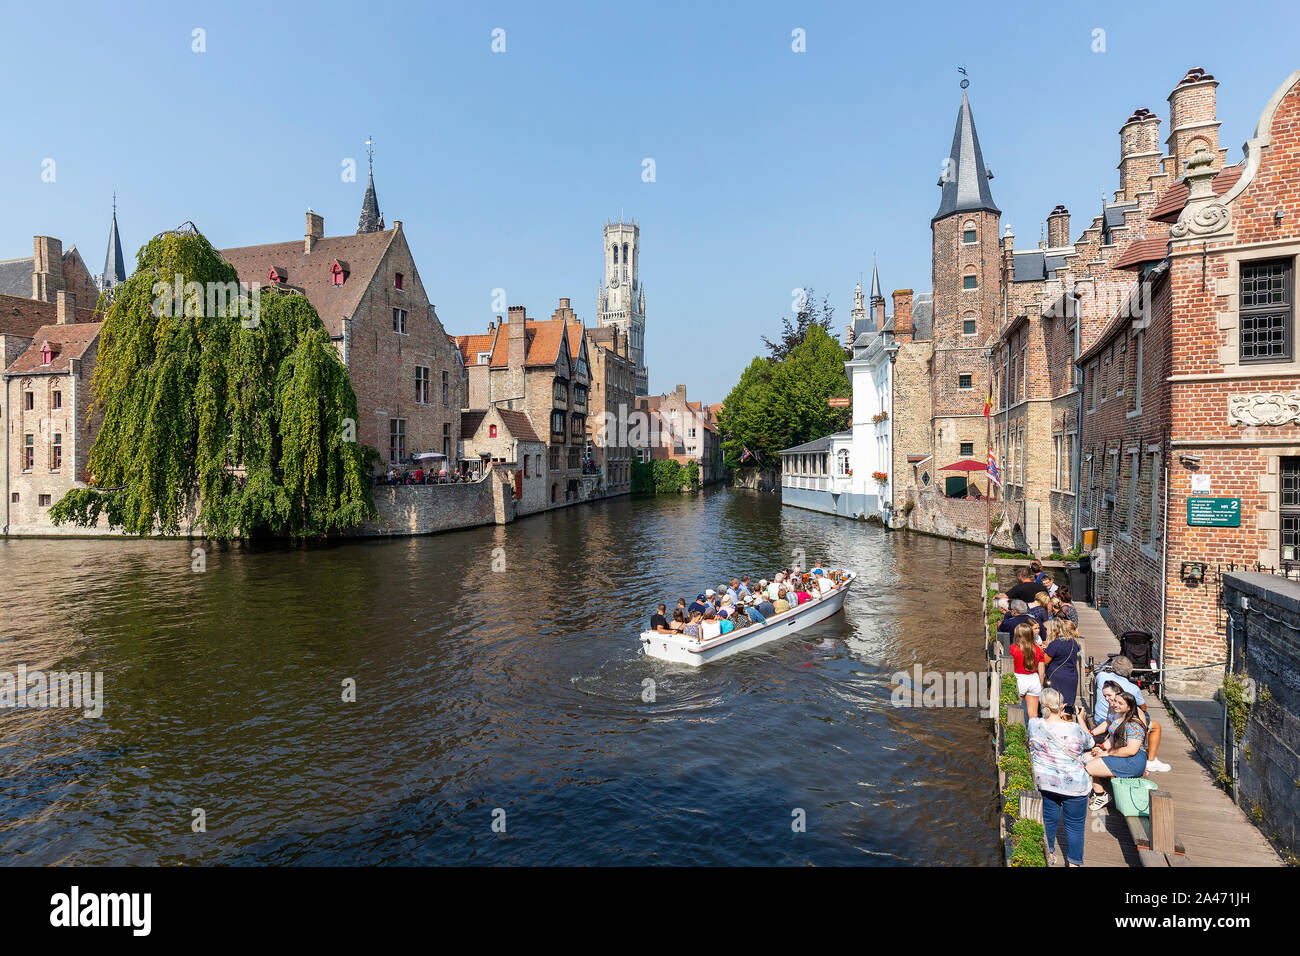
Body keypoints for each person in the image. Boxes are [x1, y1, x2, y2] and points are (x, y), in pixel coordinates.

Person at [1028, 687, 1093, 867]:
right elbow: (1090, 742)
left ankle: (1049, 853)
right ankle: (1074, 863)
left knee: (1049, 818)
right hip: (1075, 785)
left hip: (1046, 782)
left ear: (1042, 705)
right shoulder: (1074, 729)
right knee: (1075, 825)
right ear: (1062, 706)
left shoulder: (1034, 724)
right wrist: (1080, 718)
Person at [1089, 657, 1170, 773]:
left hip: (1099, 718)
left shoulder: (1102, 676)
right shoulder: (1133, 689)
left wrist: (1091, 733)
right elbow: (1143, 707)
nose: (1108, 699)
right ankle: (1151, 761)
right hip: (1117, 722)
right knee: (1155, 726)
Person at [1085, 690, 1150, 810]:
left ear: (1129, 707)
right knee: (1082, 759)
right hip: (1119, 753)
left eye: (1120, 703)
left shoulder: (1134, 724)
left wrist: (1106, 753)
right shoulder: (1118, 716)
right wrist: (1100, 748)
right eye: (1115, 701)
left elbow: (1131, 750)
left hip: (1133, 760)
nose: (1115, 704)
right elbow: (1112, 739)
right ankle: (1100, 794)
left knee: (1087, 767)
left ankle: (1100, 795)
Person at [1043, 620, 1082, 715]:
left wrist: (1044, 651)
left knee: (1055, 706)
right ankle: (1068, 725)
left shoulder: (1054, 644)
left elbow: (1045, 661)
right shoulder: (1073, 642)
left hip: (1057, 677)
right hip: (1071, 676)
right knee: (1068, 707)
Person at [1010, 623, 1046, 719]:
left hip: (1019, 679)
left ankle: (1018, 733)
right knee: (1033, 715)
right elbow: (1041, 671)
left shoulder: (1013, 649)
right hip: (1034, 680)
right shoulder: (1038, 649)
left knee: (1015, 713)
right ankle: (1033, 733)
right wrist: (1041, 684)